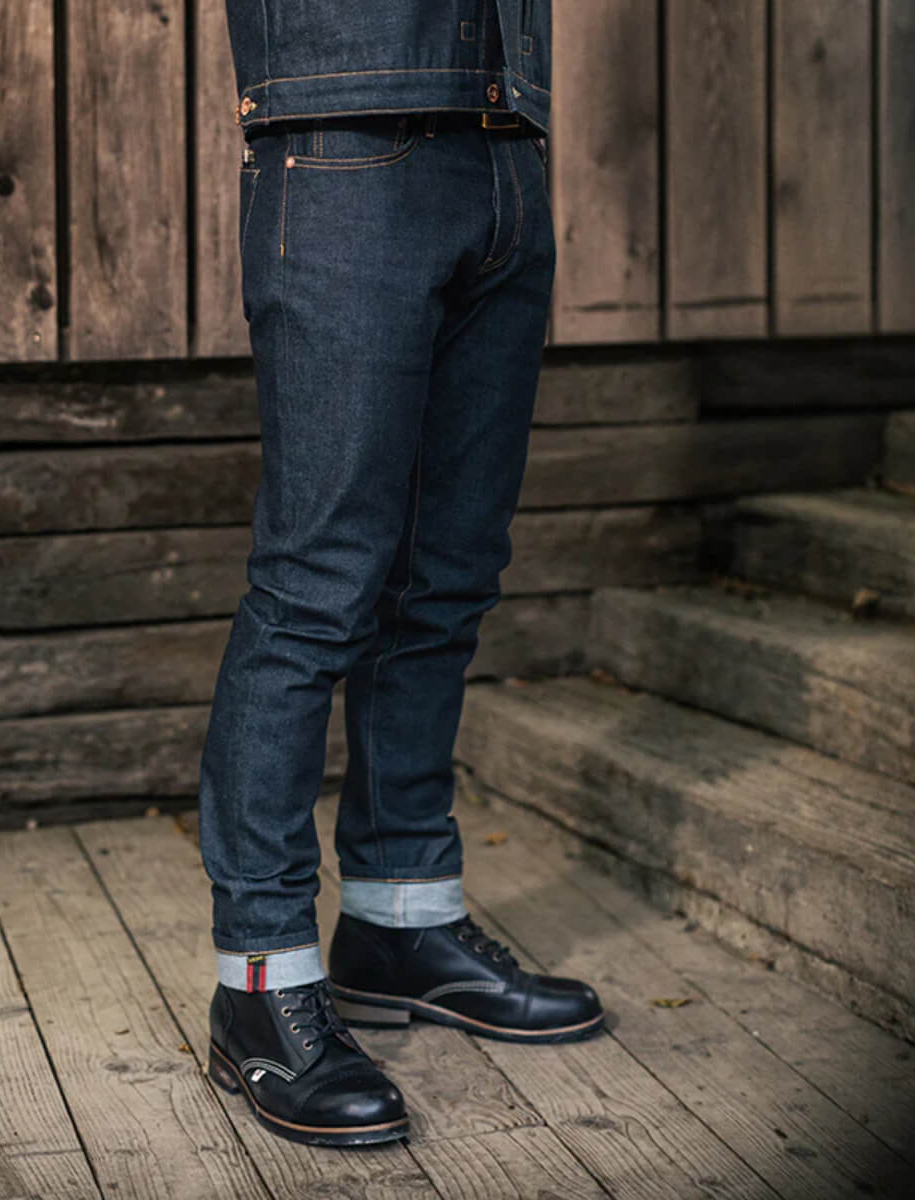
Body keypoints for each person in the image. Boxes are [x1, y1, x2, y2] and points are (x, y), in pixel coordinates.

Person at [199, 0, 604, 1147]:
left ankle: (398, 919)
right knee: (315, 586)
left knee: (449, 575)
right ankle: (264, 985)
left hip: (505, 150)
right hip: (343, 144)